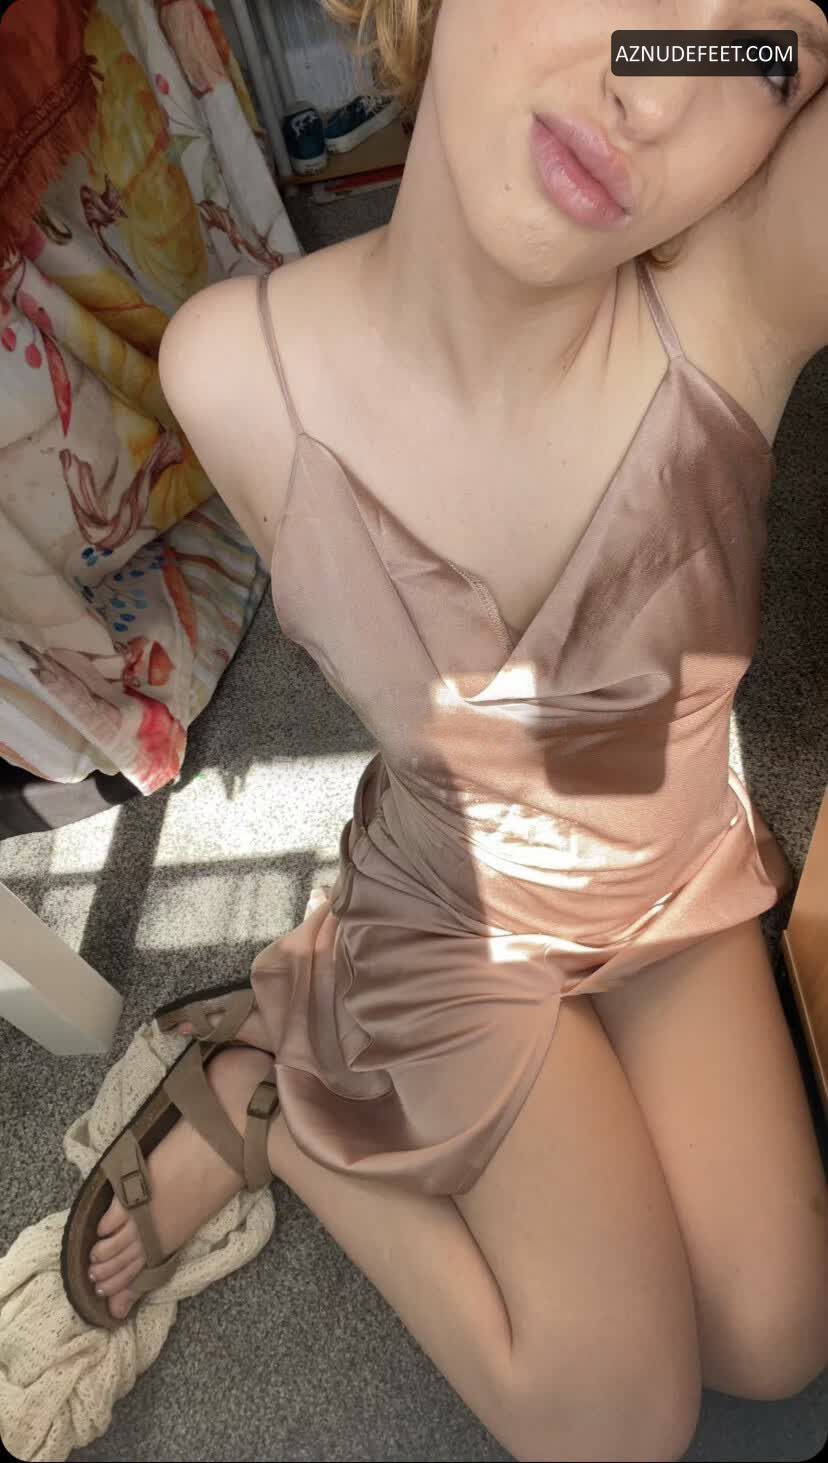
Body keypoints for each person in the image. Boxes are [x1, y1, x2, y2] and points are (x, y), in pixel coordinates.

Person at [67, 4, 828, 1459]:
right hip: (459, 905)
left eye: (766, 50)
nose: (657, 90)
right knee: (617, 1422)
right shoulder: (234, 374)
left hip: (668, 886)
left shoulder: (743, 295)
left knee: (779, 1336)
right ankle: (274, 1096)